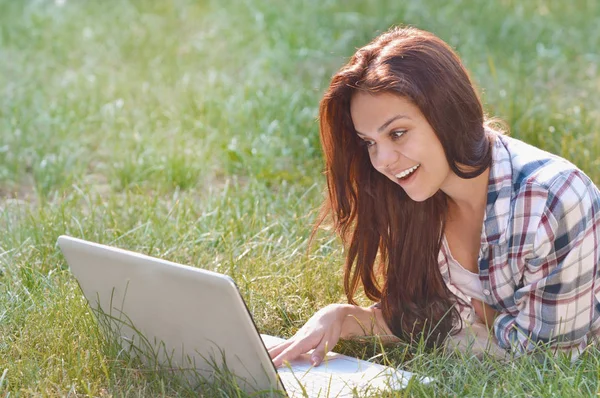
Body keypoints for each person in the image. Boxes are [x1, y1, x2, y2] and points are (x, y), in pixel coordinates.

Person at [268, 26, 600, 367]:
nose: (381, 161)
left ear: (447, 115)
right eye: (369, 142)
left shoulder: (554, 200)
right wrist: (340, 318)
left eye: (397, 133)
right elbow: (422, 321)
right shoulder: (414, 195)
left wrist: (477, 316)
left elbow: (548, 360)